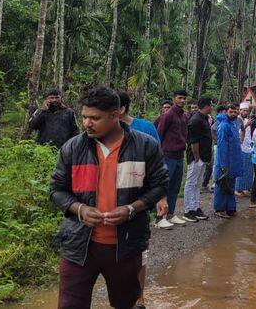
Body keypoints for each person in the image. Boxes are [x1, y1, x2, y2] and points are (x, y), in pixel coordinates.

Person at [49, 87, 168, 309]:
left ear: (115, 116)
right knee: (70, 304)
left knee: (126, 303)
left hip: (125, 247)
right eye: (84, 117)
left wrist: (131, 209)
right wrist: (80, 209)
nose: (87, 123)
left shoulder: (145, 146)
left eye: (95, 118)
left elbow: (160, 185)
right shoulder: (72, 148)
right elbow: (56, 189)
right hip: (78, 246)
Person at [116, 90, 169, 308]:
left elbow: (158, 165)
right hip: (110, 203)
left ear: (120, 109)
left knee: (139, 253)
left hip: (139, 200)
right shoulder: (98, 133)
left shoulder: (146, 128)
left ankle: (139, 297)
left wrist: (161, 197)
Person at [155, 90, 189, 226]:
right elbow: (159, 134)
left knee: (175, 186)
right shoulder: (168, 115)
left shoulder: (183, 116)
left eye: (184, 98)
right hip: (167, 155)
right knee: (164, 187)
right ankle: (159, 218)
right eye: (180, 98)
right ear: (174, 98)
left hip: (179, 155)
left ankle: (171, 214)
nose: (182, 101)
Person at [183, 96, 213, 223]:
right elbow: (193, 141)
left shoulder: (205, 118)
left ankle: (195, 208)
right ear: (206, 106)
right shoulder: (195, 120)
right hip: (196, 158)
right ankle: (187, 210)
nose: (212, 107)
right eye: (211, 105)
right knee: (191, 183)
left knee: (197, 184)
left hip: (203, 157)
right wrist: (196, 157)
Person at [214, 104, 242, 218]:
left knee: (230, 185)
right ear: (226, 112)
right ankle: (219, 209)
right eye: (231, 112)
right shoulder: (223, 126)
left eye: (235, 112)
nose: (233, 114)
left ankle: (230, 208)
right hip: (224, 161)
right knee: (222, 184)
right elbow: (222, 146)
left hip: (233, 161)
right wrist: (223, 164)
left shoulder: (234, 125)